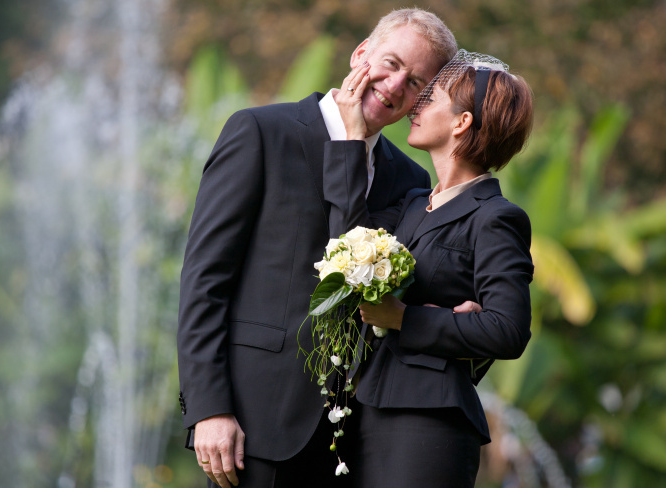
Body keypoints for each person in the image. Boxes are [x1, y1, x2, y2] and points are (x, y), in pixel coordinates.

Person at [176, 9, 459, 488]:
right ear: (360, 54)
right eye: (390, 64)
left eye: (415, 83)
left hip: (355, 440)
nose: (394, 86)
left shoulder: (409, 179)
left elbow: (360, 284)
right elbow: (204, 280)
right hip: (252, 426)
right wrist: (209, 409)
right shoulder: (260, 133)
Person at [323, 49, 535, 487]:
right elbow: (347, 247)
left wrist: (405, 319)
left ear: (461, 123)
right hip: (366, 409)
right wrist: (351, 140)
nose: (415, 107)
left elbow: (508, 330)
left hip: (428, 420)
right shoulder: (414, 203)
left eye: (431, 98)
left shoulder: (496, 217)